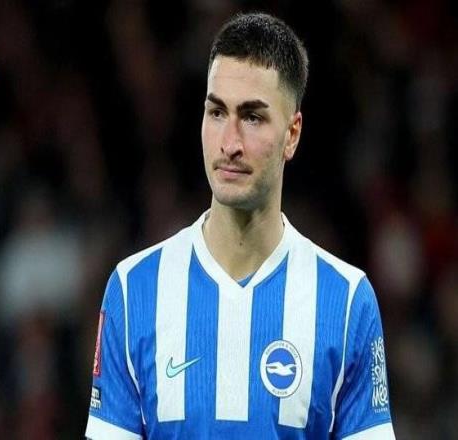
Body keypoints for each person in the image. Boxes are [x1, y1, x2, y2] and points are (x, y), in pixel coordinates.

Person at [85, 12, 395, 440]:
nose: (229, 143)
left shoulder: (346, 301)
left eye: (252, 117)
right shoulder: (133, 289)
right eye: (216, 112)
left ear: (292, 134)